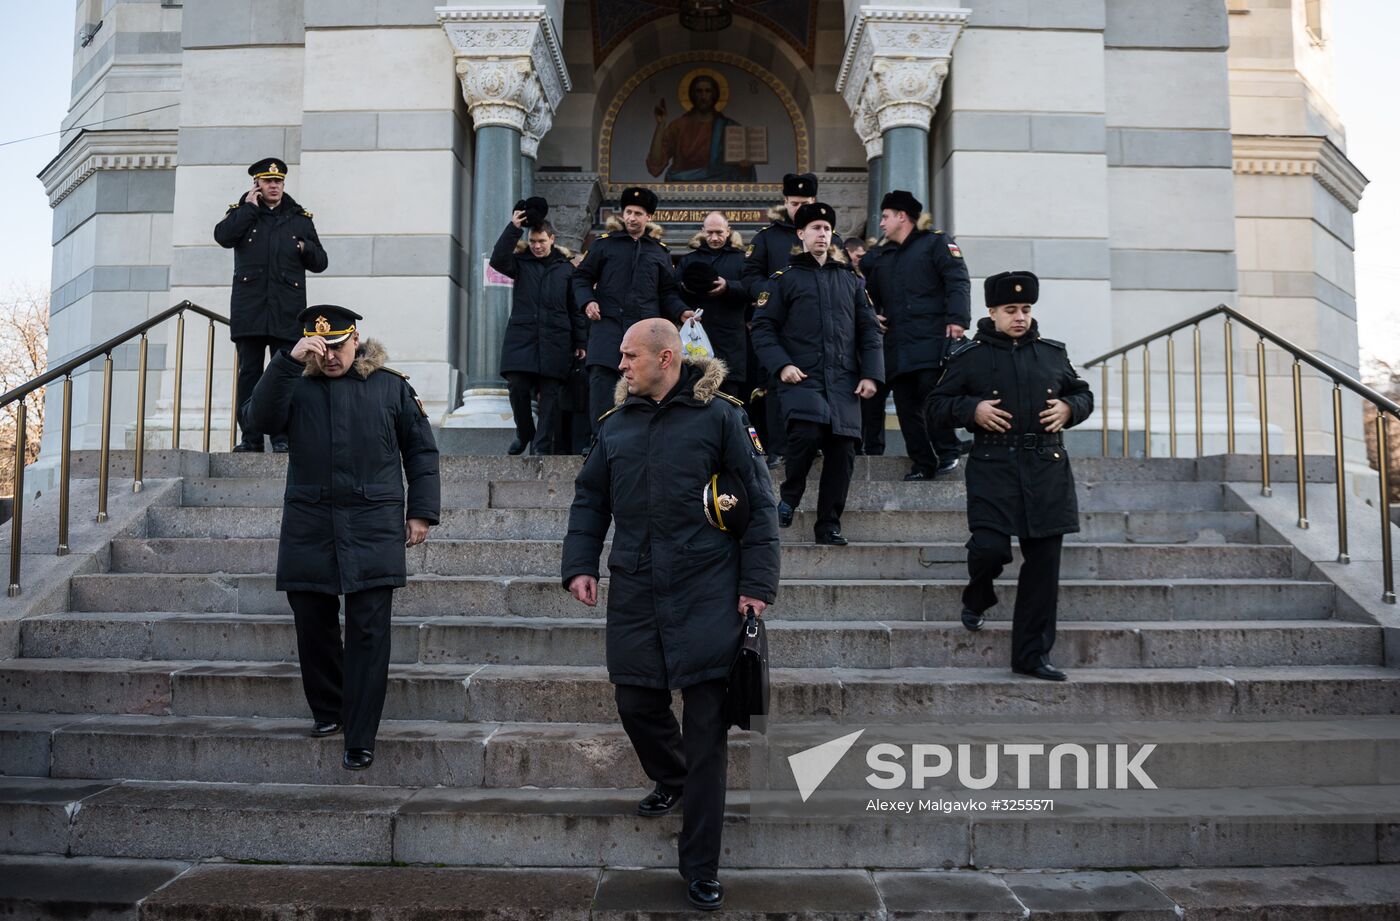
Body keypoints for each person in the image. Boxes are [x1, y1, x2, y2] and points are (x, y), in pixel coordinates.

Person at [562, 318, 780, 911]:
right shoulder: (614, 426)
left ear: (666, 357)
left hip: (708, 587)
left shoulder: (722, 417)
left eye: (630, 357)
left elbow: (759, 505)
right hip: (635, 588)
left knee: (707, 730)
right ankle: (673, 776)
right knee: (636, 701)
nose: (621, 367)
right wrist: (580, 563)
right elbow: (590, 500)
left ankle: (700, 865)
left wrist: (757, 584)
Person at [241, 304, 441, 768]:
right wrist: (287, 362)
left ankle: (361, 732)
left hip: (372, 523)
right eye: (320, 348)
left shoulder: (391, 386)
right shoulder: (295, 384)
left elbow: (422, 452)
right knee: (313, 623)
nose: (329, 357)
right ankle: (328, 710)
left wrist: (422, 513)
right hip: (310, 525)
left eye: (337, 346)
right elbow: (257, 420)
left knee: (370, 632)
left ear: (356, 340)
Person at [924, 271, 1094, 681]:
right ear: (992, 312)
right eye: (1010, 310)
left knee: (1042, 570)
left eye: (1026, 309)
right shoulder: (970, 357)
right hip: (994, 468)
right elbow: (934, 408)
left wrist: (1071, 409)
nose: (1020, 317)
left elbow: (1082, 392)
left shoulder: (1052, 353)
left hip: (1047, 469)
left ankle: (1031, 656)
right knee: (988, 549)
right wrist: (972, 410)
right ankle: (978, 596)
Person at [750, 202, 884, 546]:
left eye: (826, 228)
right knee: (807, 432)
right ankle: (790, 495)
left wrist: (871, 375)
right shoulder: (784, 280)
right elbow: (763, 329)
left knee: (842, 452)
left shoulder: (851, 281)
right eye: (815, 228)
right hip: (802, 377)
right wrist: (782, 365)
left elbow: (869, 331)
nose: (822, 234)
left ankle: (828, 525)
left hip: (844, 381)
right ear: (801, 234)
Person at [215, 157, 329, 453]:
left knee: (285, 373)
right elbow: (223, 237)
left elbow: (321, 262)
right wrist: (249, 209)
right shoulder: (242, 214)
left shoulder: (300, 218)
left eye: (278, 181)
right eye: (268, 181)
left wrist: (305, 247)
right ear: (257, 185)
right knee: (249, 374)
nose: (274, 186)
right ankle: (250, 438)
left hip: (287, 311)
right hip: (250, 311)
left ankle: (281, 436)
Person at [861, 189, 971, 480]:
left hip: (932, 337)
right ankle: (923, 463)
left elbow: (957, 280)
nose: (881, 223)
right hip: (898, 344)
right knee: (906, 405)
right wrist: (871, 315)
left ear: (902, 216)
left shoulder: (936, 243)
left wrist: (958, 320)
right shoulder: (882, 256)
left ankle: (948, 450)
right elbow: (864, 293)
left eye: (885, 217)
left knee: (932, 394)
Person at [570, 186, 690, 437]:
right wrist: (587, 301)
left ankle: (637, 438)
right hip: (607, 325)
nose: (632, 218)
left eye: (638, 213)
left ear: (649, 217)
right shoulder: (604, 245)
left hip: (644, 332)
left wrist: (681, 313)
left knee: (643, 383)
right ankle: (599, 439)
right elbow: (580, 278)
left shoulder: (659, 252)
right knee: (602, 380)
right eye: (628, 212)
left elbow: (668, 292)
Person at [742, 173, 843, 468]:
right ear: (785, 201)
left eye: (806, 203)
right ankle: (779, 448)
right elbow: (749, 275)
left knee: (822, 384)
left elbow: (846, 277)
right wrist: (773, 296)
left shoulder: (830, 238)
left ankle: (820, 443)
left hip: (819, 329)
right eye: (795, 203)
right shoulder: (766, 237)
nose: (800, 208)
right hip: (777, 326)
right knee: (776, 388)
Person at [490, 197, 585, 455]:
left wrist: (581, 342)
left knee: (551, 398)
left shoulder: (565, 269)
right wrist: (514, 227)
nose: (537, 246)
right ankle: (524, 431)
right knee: (517, 385)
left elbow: (575, 307)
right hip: (523, 336)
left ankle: (541, 450)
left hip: (556, 339)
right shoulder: (520, 264)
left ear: (552, 239)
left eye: (542, 241)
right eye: (532, 241)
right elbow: (497, 260)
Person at [675, 211, 750, 399]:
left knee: (729, 399)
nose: (714, 238)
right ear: (702, 231)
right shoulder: (688, 260)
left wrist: (729, 287)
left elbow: (755, 289)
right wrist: (686, 293)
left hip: (731, 343)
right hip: (695, 342)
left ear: (729, 230)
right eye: (709, 233)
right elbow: (671, 293)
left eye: (719, 232)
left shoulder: (743, 260)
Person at [646, 73, 756, 182]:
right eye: (699, 91)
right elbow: (655, 165)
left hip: (721, 190)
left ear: (715, 94)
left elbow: (743, 173)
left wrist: (745, 167)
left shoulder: (730, 127)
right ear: (692, 94)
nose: (703, 97)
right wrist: (661, 125)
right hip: (681, 190)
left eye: (708, 91)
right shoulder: (678, 126)